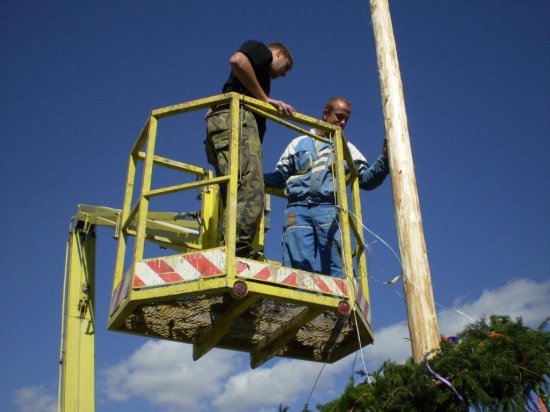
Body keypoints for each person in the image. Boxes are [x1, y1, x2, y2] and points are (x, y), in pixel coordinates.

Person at [264, 97, 389, 278]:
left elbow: (366, 179)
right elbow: (279, 176)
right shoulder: (298, 143)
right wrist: (252, 177)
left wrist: (384, 160)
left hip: (329, 208)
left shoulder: (347, 149)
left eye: (346, 119)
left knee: (337, 265)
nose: (343, 122)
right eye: (339, 116)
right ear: (325, 114)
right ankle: (296, 305)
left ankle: (337, 304)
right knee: (297, 266)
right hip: (298, 209)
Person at [205, 40, 295, 259]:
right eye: (286, 68)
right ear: (280, 53)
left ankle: (232, 247)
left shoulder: (249, 81)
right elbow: (237, 60)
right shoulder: (262, 51)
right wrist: (265, 99)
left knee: (235, 190)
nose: (282, 75)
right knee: (251, 189)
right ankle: (238, 252)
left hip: (231, 124)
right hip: (239, 123)